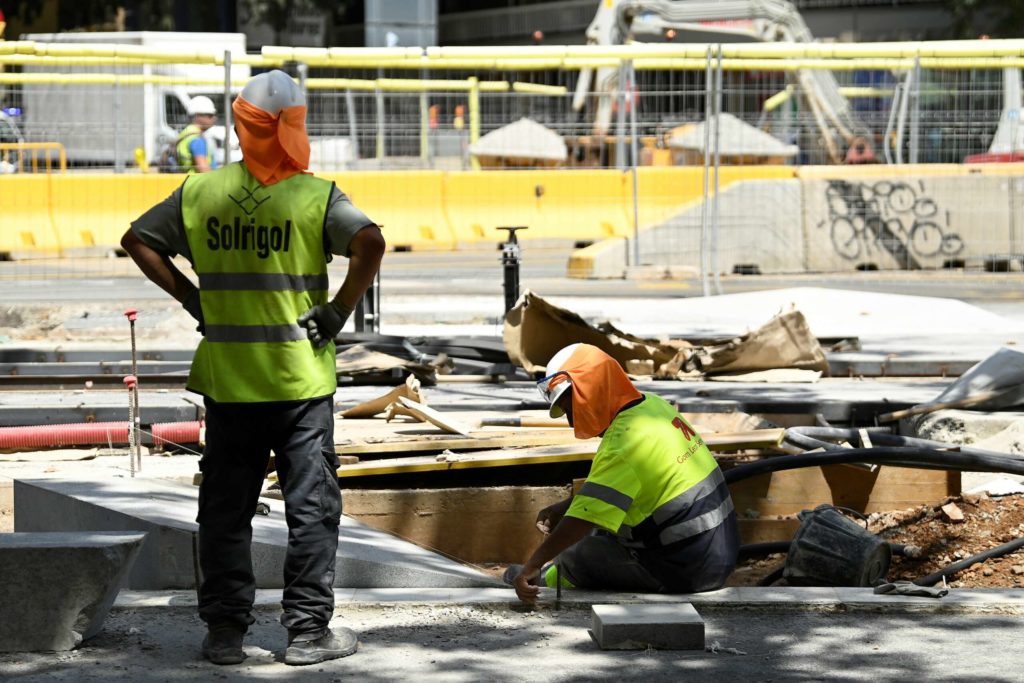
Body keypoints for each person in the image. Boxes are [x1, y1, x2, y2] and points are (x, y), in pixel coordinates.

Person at [120, 70, 385, 666]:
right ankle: (309, 634)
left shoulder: (199, 192)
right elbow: (369, 243)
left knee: (225, 508)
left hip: (230, 382)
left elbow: (138, 240)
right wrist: (340, 309)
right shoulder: (316, 197)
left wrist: (194, 300)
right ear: (296, 127)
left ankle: (224, 635)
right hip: (300, 383)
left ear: (239, 125)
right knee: (311, 509)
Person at [509, 343, 739, 603]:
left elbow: (581, 521)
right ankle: (551, 573)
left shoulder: (624, 442)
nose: (572, 422)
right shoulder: (652, 407)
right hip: (718, 553)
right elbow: (625, 490)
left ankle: (543, 582)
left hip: (685, 569)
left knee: (580, 553)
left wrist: (533, 565)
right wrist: (569, 505)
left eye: (571, 407)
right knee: (604, 527)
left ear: (592, 389)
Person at [175, 95, 219, 172]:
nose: (214, 118)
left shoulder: (186, 132)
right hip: (199, 181)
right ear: (197, 116)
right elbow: (203, 168)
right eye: (210, 115)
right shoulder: (196, 139)